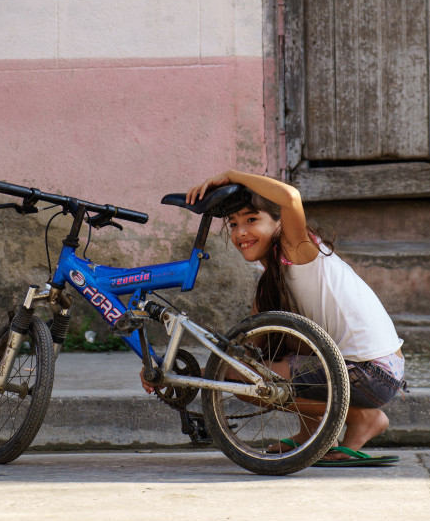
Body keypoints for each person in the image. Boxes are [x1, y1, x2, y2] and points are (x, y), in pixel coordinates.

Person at [143, 169, 406, 465]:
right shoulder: (272, 281)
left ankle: (363, 419)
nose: (240, 232)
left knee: (247, 379)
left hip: (368, 372)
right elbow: (245, 354)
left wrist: (231, 174)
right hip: (376, 370)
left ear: (279, 221)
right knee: (267, 358)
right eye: (234, 224)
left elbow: (290, 197)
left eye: (252, 220)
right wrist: (180, 377)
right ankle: (315, 434)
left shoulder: (300, 251)